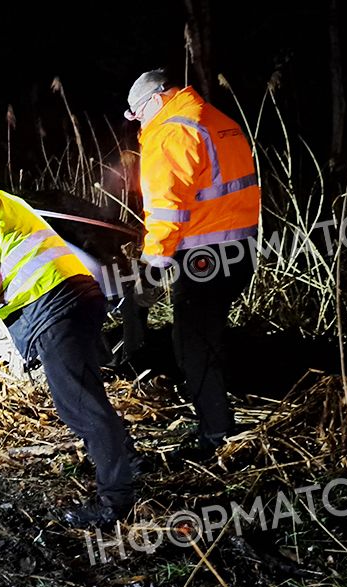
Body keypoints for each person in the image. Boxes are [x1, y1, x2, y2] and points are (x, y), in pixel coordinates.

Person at [0, 177, 136, 527]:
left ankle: (114, 502)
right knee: (89, 396)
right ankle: (129, 462)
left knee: (78, 408)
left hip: (54, 309)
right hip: (81, 296)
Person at [126, 69, 261, 457]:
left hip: (205, 258)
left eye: (139, 115)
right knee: (208, 336)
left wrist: (150, 271)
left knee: (192, 347)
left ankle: (216, 438)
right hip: (239, 249)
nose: (140, 126)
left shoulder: (170, 132)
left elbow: (167, 213)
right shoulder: (218, 120)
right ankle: (220, 419)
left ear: (154, 101)